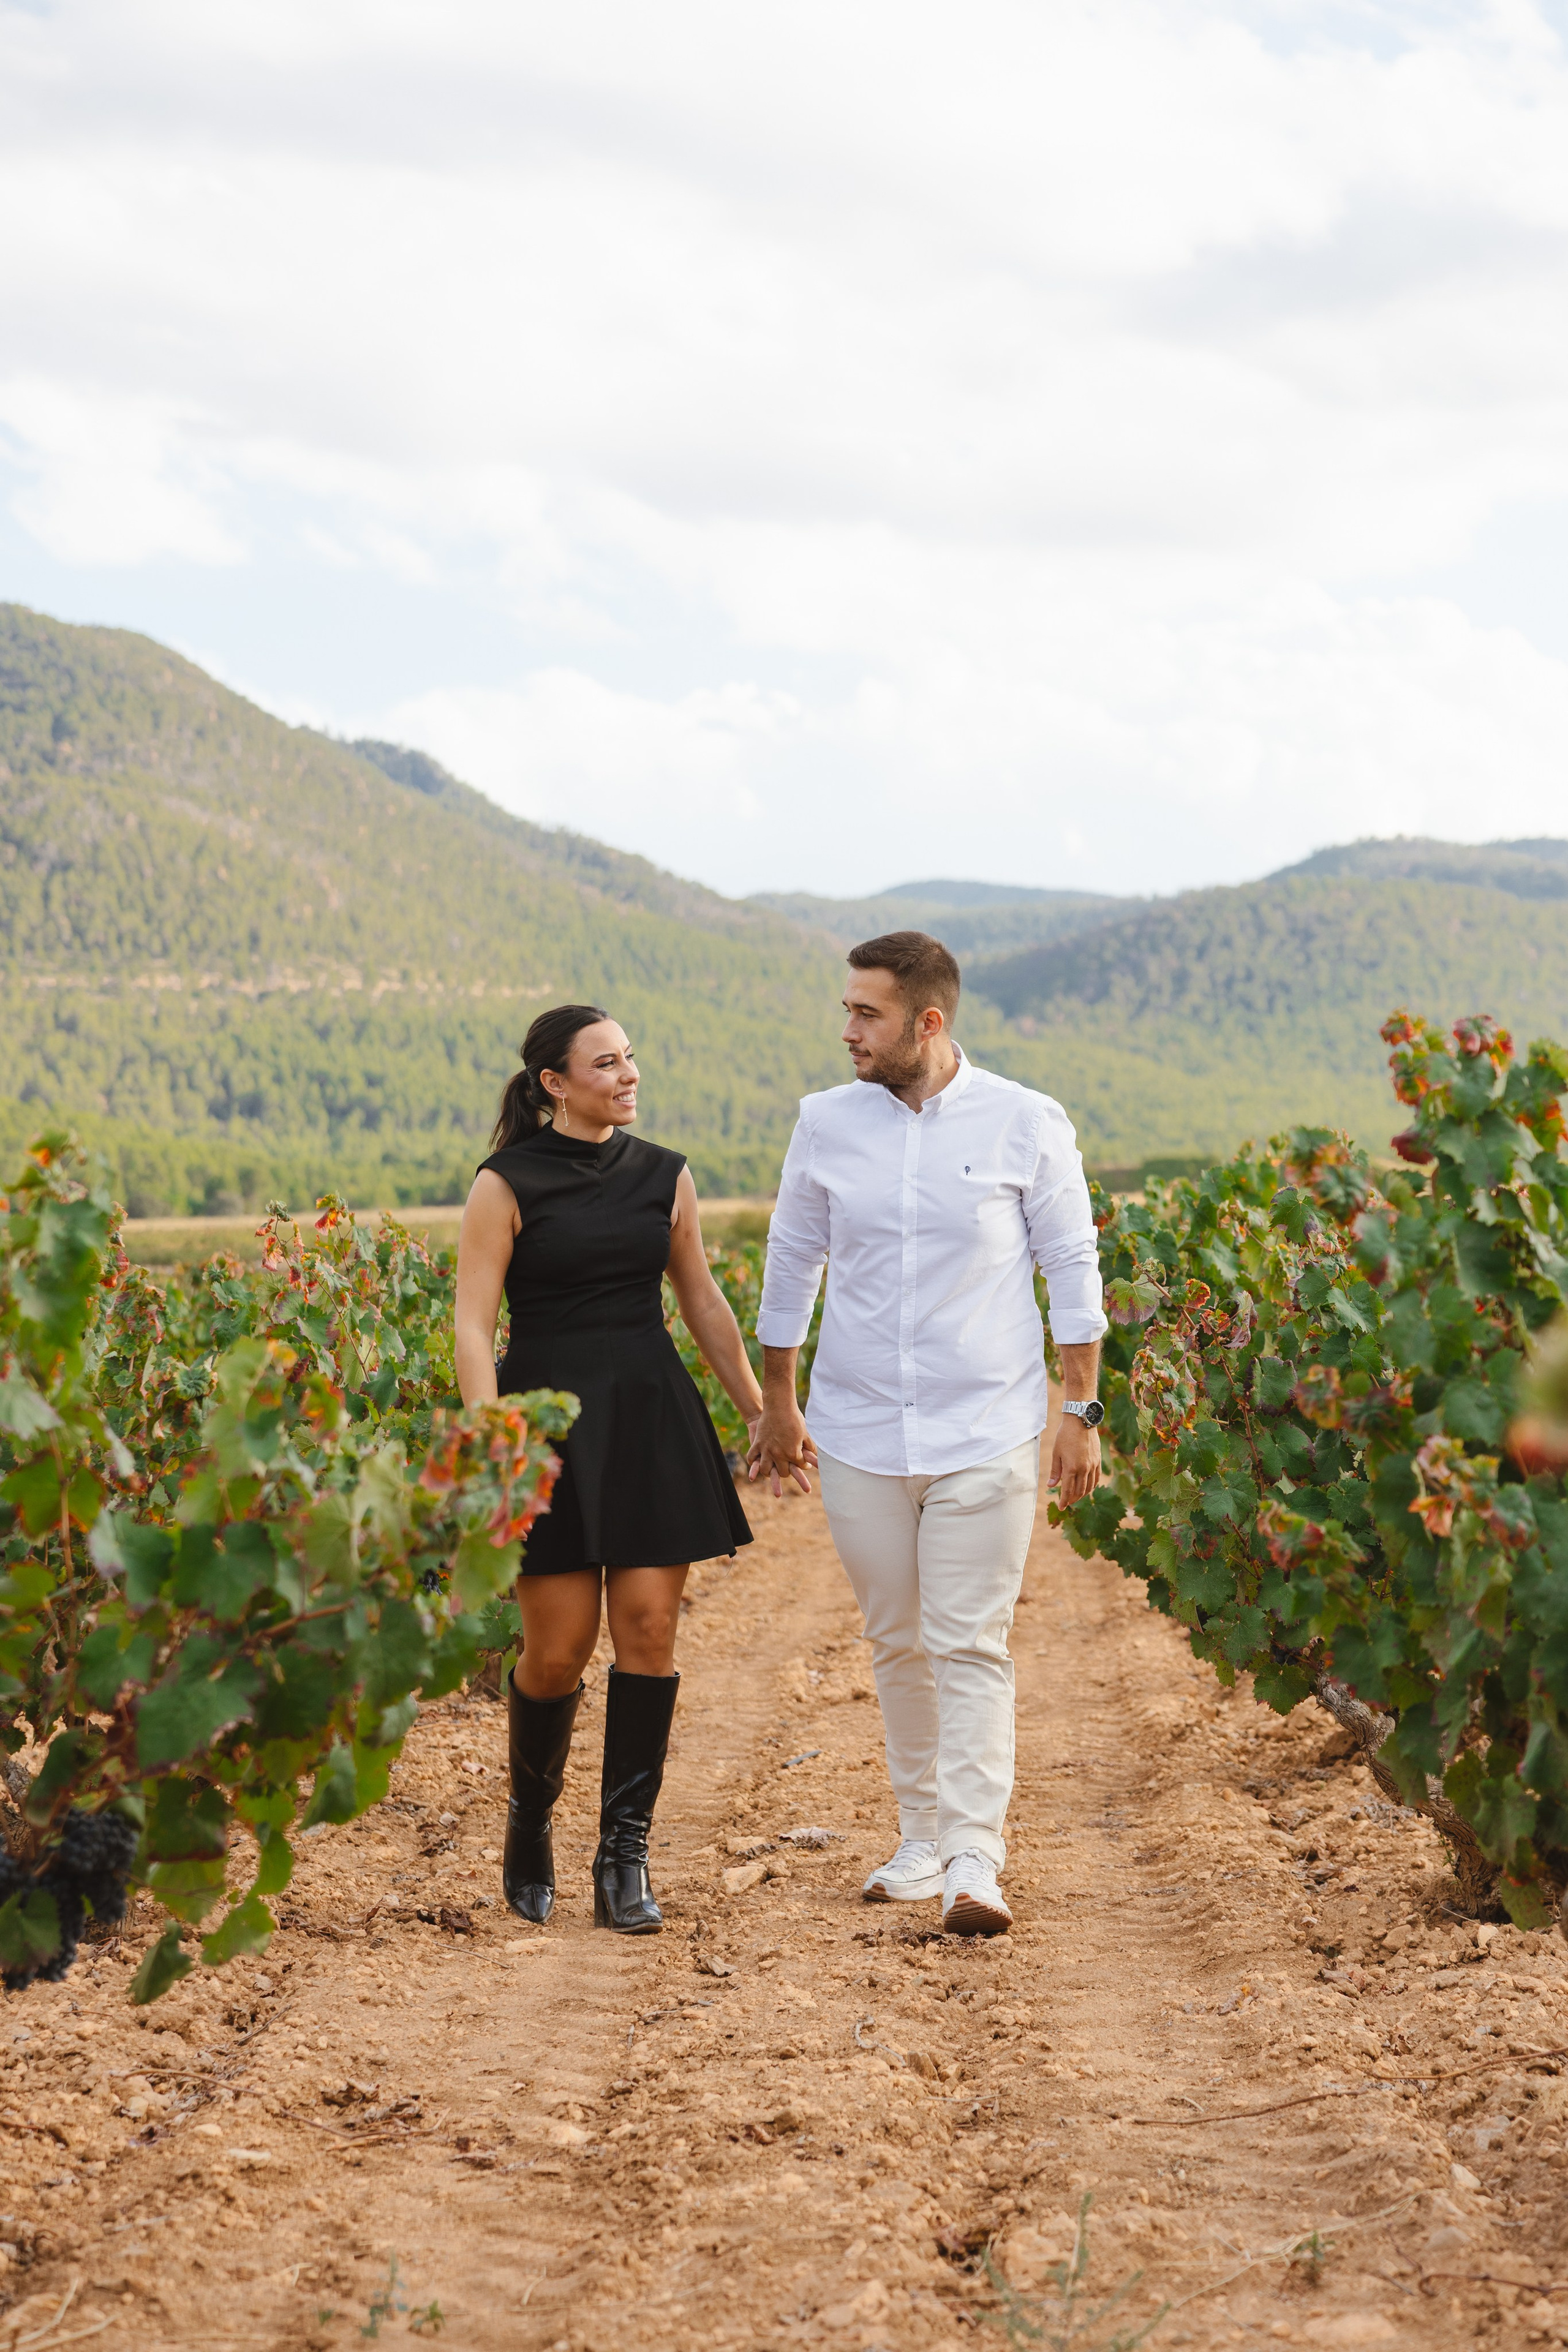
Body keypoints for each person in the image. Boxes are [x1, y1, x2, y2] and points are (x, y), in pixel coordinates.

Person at [749, 932, 1106, 1937]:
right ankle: (919, 1840)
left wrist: (1080, 1413)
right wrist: (779, 1400)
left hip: (986, 1424)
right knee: (897, 1640)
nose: (850, 1030)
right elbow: (792, 1261)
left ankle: (973, 1858)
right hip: (858, 1427)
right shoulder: (824, 1122)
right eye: (848, 1011)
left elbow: (1073, 1270)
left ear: (928, 1021)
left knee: (970, 1641)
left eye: (868, 1013)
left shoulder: (1025, 1122)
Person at [455, 1003, 766, 1934]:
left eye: (631, 1057)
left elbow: (701, 1300)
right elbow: (473, 1322)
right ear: (554, 1083)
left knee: (649, 1631)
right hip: (544, 1429)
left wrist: (763, 1411)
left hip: (647, 1421)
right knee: (555, 1654)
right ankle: (529, 1821)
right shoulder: (504, 1183)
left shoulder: (666, 1175)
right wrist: (494, 1441)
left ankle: (624, 1855)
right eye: (606, 1063)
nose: (629, 1075)